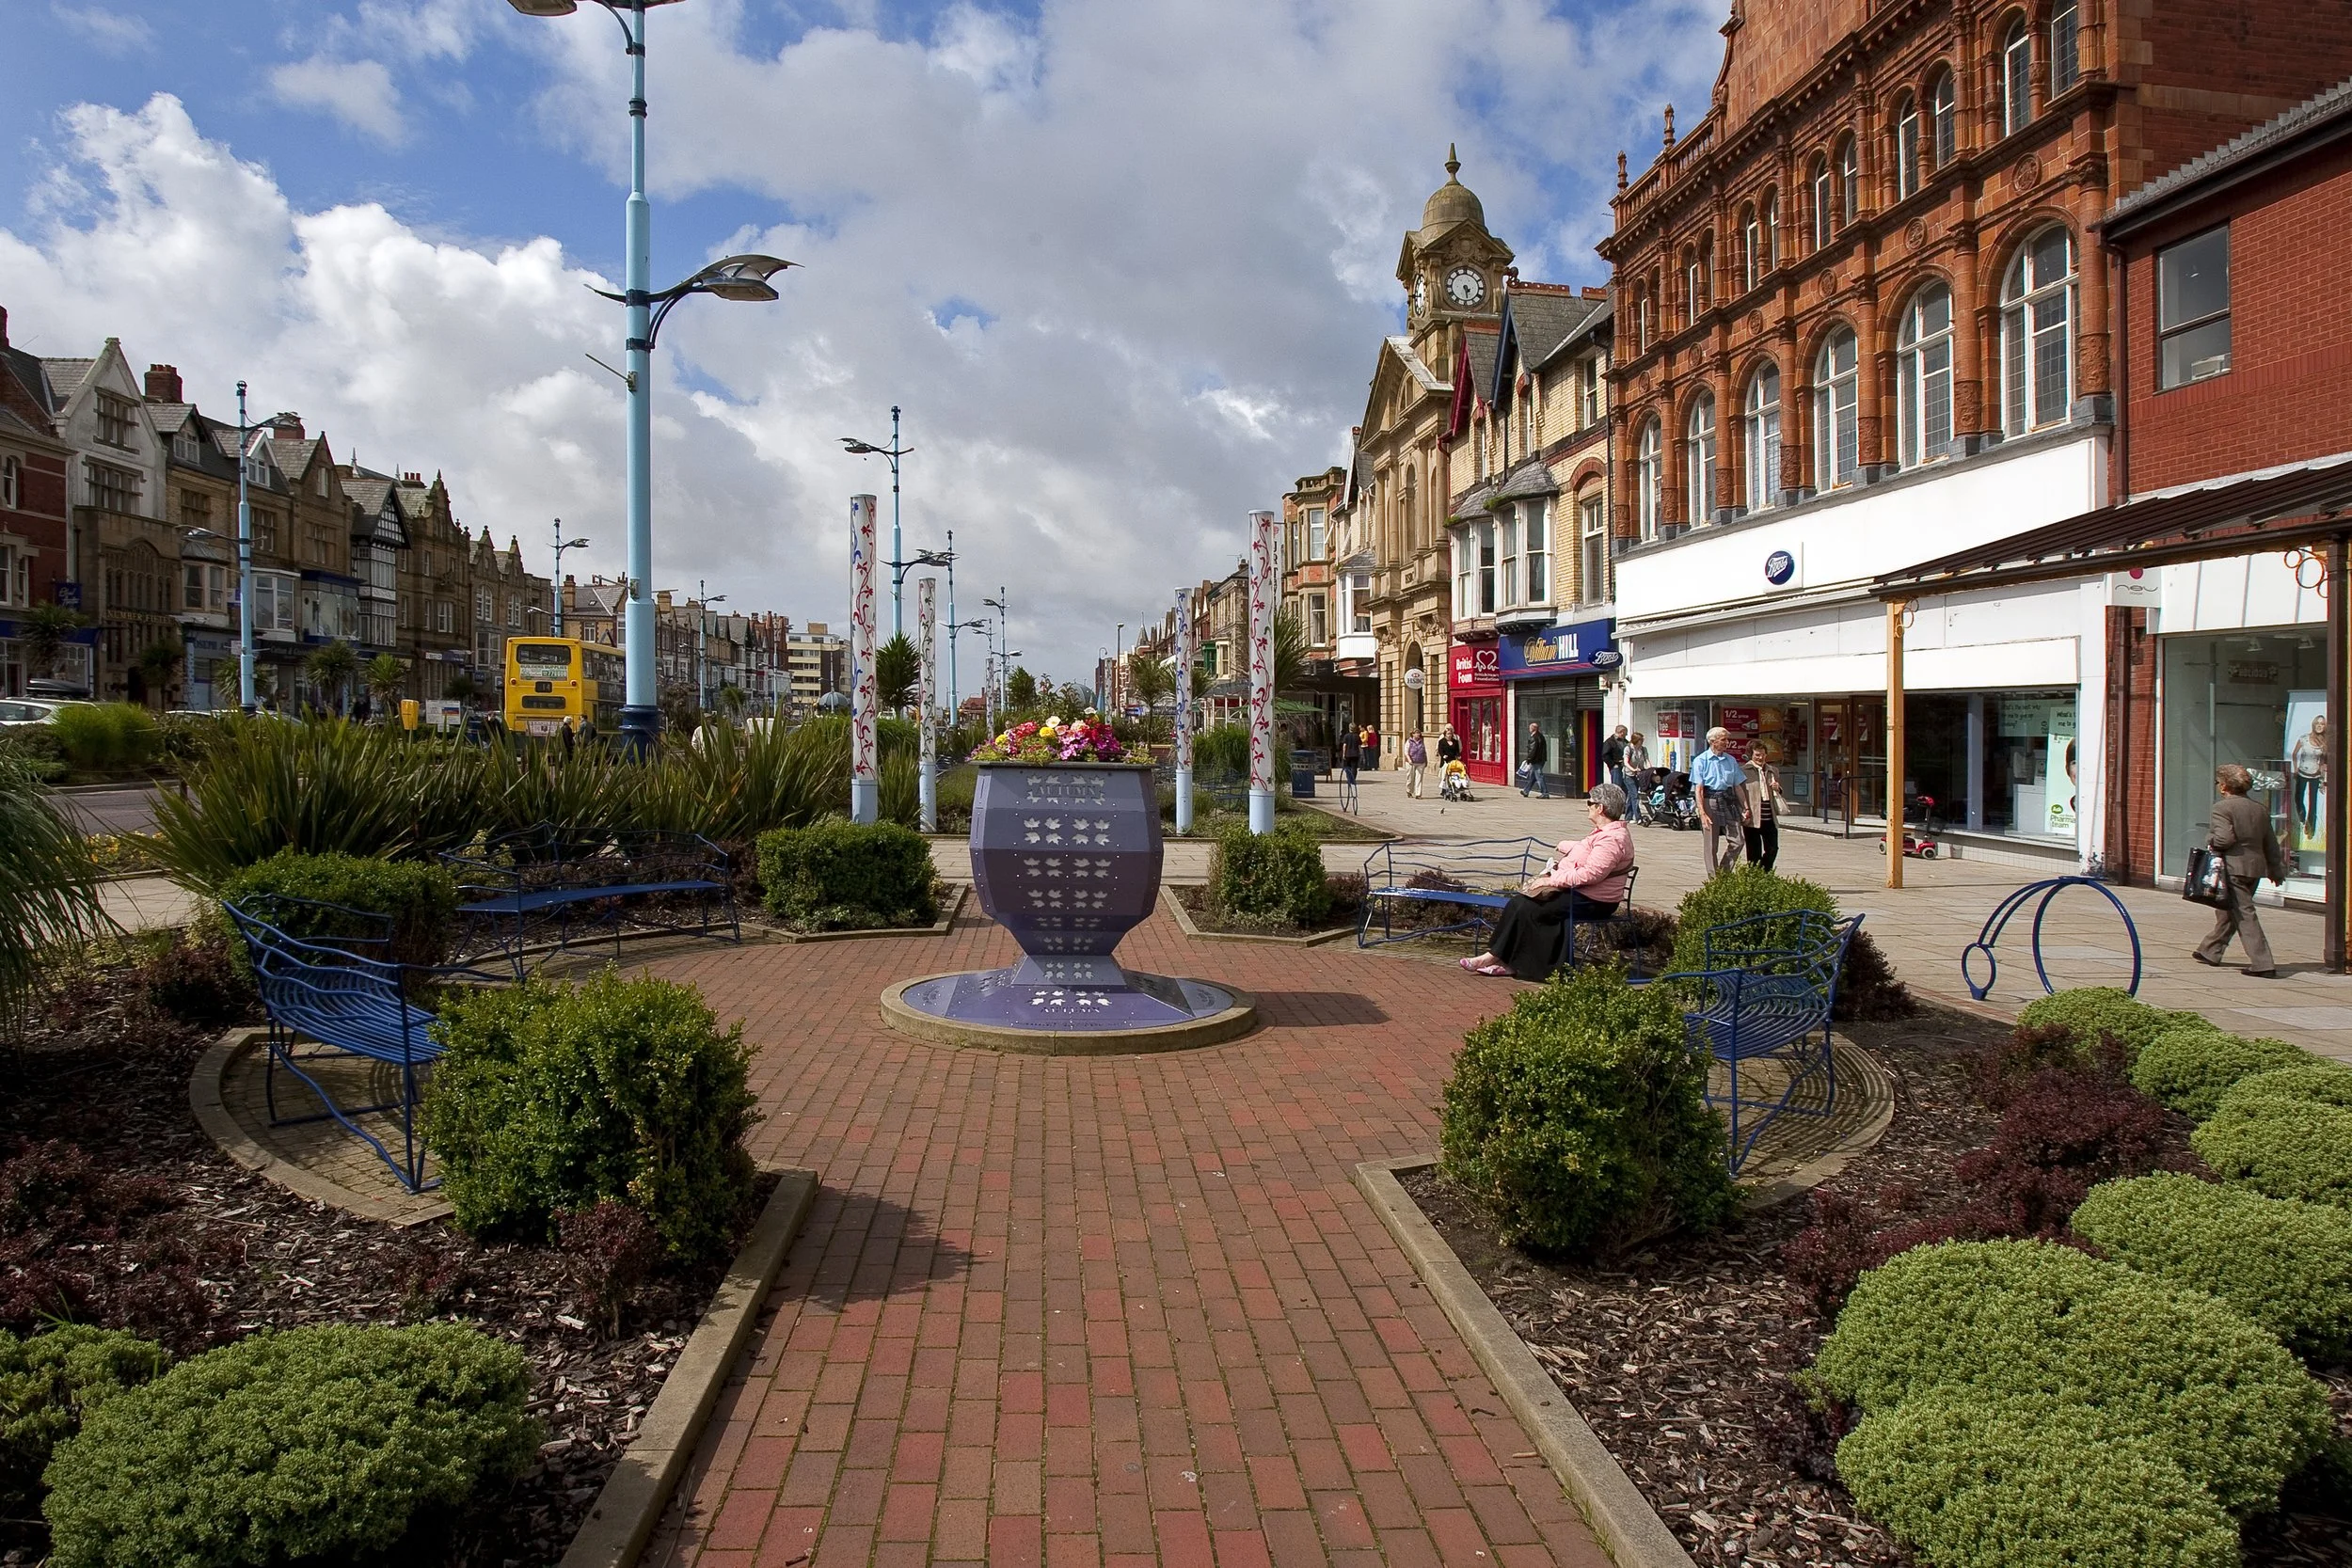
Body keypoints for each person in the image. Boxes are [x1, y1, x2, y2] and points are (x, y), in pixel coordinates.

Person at [1460, 784, 1635, 978]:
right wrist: (1567, 846)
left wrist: (1551, 881)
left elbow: (1591, 874)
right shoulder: (1606, 833)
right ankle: (1501, 959)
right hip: (1581, 894)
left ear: (1600, 808)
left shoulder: (1611, 839)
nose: (1588, 806)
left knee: (1531, 909)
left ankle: (1499, 959)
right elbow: (1591, 852)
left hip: (1594, 901)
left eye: (1590, 803)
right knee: (1518, 903)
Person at [2196, 763, 2287, 977]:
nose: (2219, 786)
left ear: (2224, 786)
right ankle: (2210, 950)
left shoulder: (2222, 808)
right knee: (2230, 911)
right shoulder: (2260, 809)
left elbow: (2223, 839)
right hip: (2254, 868)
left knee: (2245, 914)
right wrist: (2276, 869)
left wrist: (2209, 838)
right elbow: (2271, 843)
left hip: (2232, 868)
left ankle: (2262, 963)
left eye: (2219, 782)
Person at [1692, 726, 1749, 876]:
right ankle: (1713, 878)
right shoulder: (1701, 760)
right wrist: (1702, 813)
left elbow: (1737, 786)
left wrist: (1745, 807)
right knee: (1711, 844)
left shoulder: (1730, 760)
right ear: (1712, 741)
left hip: (1728, 800)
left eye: (1727, 739)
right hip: (1710, 800)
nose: (1727, 743)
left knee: (1738, 841)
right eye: (1723, 740)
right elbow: (1699, 789)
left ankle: (1723, 871)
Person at [1744, 739, 1788, 871]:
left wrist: (1778, 788)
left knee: (1772, 849)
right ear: (1751, 755)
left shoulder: (1772, 770)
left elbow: (1778, 792)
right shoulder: (1744, 771)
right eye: (1757, 755)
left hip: (1769, 817)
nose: (1760, 758)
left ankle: (1764, 874)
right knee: (1754, 853)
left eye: (1763, 754)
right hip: (1752, 818)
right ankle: (1754, 879)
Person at [2293, 716, 2328, 841]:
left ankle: (2311, 828)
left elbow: (2323, 762)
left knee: (2313, 802)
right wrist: (2295, 768)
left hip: (2315, 775)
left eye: (2322, 724)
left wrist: (2323, 780)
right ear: (2313, 725)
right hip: (2302, 773)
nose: (2319, 726)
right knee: (2298, 798)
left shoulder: (2324, 743)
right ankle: (2302, 819)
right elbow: (2294, 754)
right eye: (2317, 723)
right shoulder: (2304, 738)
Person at [1622, 731, 1650, 822]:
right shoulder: (1628, 749)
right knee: (1635, 796)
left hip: (1639, 774)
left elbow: (1647, 760)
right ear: (1636, 741)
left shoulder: (1643, 749)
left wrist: (1651, 769)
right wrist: (1632, 769)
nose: (1642, 742)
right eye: (1641, 740)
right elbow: (1626, 762)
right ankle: (1638, 817)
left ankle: (1628, 817)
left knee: (1631, 795)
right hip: (1628, 775)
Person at [1518, 721, 1549, 799]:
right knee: (1533, 777)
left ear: (1533, 729)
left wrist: (1529, 759)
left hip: (1536, 760)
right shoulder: (1540, 736)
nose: (1529, 729)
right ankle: (1526, 791)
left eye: (1530, 727)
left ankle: (1545, 793)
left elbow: (1533, 750)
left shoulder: (1535, 737)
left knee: (1539, 776)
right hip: (1540, 759)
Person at [1602, 724, 1629, 799]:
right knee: (1617, 787)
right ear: (1621, 732)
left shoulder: (1625, 741)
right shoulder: (1610, 742)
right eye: (1625, 732)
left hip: (1625, 767)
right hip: (1616, 767)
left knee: (1625, 787)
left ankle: (1623, 805)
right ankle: (1615, 804)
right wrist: (1613, 764)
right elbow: (1605, 755)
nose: (1626, 734)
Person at [1405, 731, 1428, 798]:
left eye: (1419, 733)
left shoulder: (1422, 741)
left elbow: (1424, 752)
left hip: (1421, 762)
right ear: (1413, 734)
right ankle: (1409, 790)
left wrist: (1426, 761)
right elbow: (1406, 752)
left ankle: (1418, 794)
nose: (1418, 734)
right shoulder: (1409, 741)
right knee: (1410, 778)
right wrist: (1409, 759)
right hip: (1411, 762)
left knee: (1419, 778)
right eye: (1417, 733)